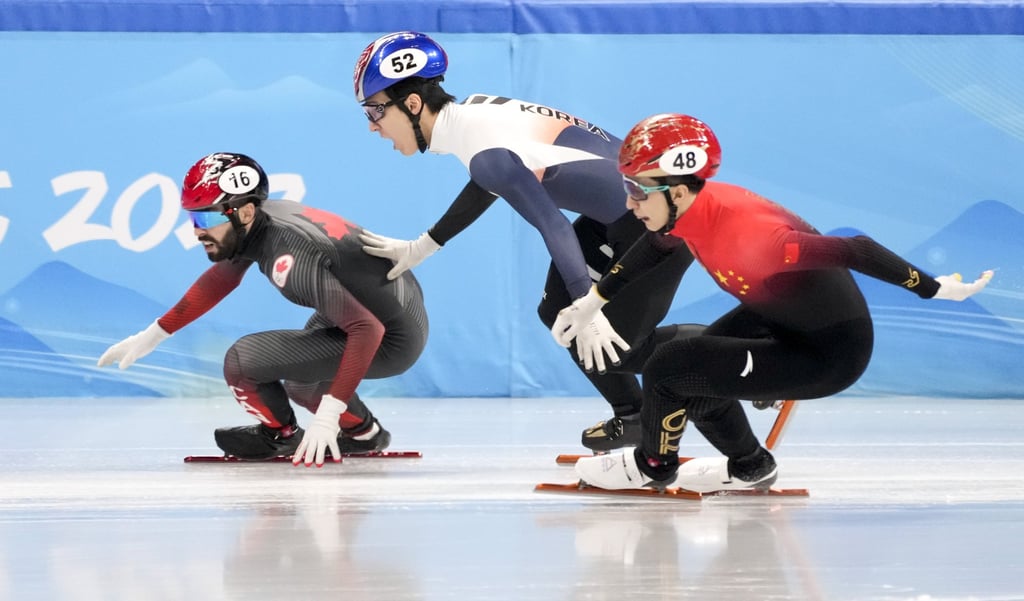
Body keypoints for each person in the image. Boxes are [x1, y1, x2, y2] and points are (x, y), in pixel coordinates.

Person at [553, 113, 993, 491]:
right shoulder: (690, 212)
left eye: (637, 189)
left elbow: (856, 249)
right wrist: (593, 300)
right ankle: (750, 466)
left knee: (672, 365)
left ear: (679, 190)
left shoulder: (755, 238)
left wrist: (935, 289)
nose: (629, 203)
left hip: (827, 353)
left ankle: (653, 466)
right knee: (695, 373)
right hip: (782, 324)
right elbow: (652, 249)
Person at [352, 31, 696, 452]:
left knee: (618, 346)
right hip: (615, 218)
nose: (371, 126)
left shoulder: (483, 148)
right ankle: (633, 417)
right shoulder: (473, 117)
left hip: (657, 229)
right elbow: (489, 182)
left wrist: (589, 304)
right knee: (559, 313)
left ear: (411, 104)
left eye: (374, 110)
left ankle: (747, 350)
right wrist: (424, 245)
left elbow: (552, 225)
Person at [97, 152, 429, 467]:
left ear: (244, 213)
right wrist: (153, 334)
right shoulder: (261, 221)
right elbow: (220, 281)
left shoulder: (289, 259)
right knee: (302, 382)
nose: (197, 230)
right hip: (392, 310)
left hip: (390, 335)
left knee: (244, 360)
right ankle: (364, 434)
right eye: (192, 216)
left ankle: (280, 435)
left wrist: (328, 414)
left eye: (206, 216)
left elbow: (367, 329)